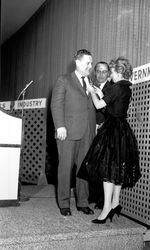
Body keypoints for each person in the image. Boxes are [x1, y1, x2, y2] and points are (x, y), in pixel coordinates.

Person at [77, 56, 141, 223]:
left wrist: (92, 93)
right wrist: (100, 94)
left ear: (118, 72)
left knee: (108, 172)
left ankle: (105, 210)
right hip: (122, 130)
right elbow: (114, 107)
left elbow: (99, 106)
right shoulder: (126, 88)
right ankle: (115, 203)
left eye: (111, 72)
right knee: (117, 169)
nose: (110, 76)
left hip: (111, 130)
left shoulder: (115, 87)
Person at [51, 49, 96, 216]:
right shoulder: (64, 80)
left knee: (84, 169)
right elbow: (56, 104)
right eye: (87, 63)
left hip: (87, 132)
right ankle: (64, 203)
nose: (90, 66)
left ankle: (82, 202)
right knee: (65, 168)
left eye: (91, 63)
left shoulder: (89, 82)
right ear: (77, 62)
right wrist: (60, 126)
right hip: (67, 131)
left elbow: (90, 105)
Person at [88, 61, 113, 209]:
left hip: (106, 130)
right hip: (91, 129)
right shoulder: (91, 88)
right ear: (95, 72)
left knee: (104, 164)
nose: (101, 74)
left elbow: (111, 110)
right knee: (93, 163)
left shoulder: (112, 88)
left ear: (109, 73)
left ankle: (103, 200)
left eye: (104, 71)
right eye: (99, 71)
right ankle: (93, 195)